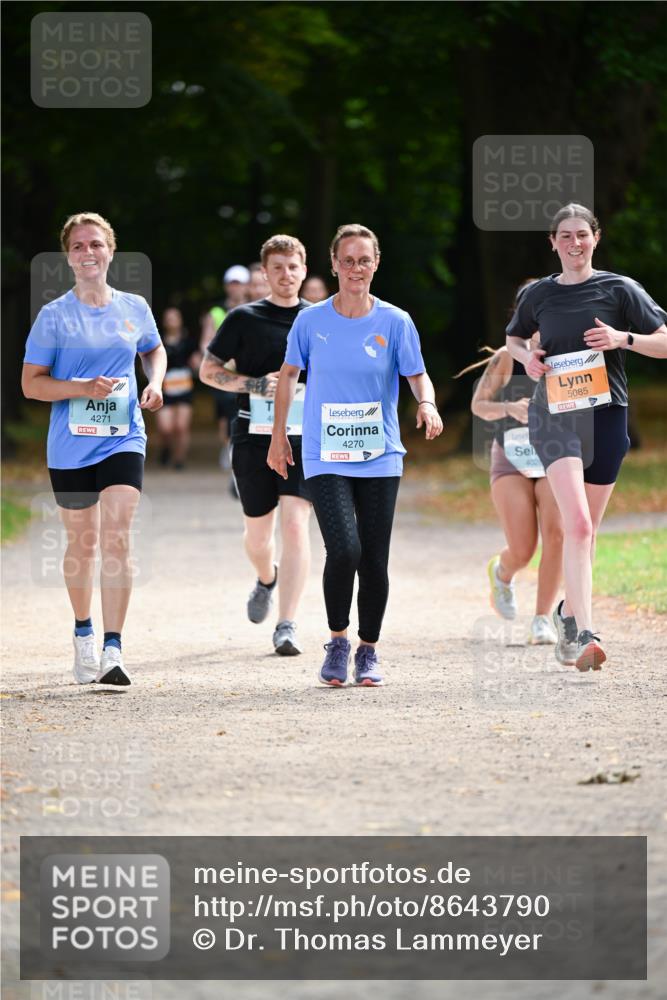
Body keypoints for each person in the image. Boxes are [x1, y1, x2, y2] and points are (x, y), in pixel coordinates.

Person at [268, 223, 443, 687]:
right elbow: (287, 376)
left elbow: (418, 375)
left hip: (380, 453)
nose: (356, 268)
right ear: (333, 264)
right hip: (325, 451)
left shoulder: (395, 321)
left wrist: (426, 403)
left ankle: (368, 650)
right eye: (347, 260)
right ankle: (338, 640)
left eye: (364, 260)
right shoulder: (311, 321)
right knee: (343, 549)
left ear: (376, 263)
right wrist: (278, 435)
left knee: (374, 558)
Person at [506, 203, 667, 671]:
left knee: (587, 530)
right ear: (552, 242)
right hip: (554, 415)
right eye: (565, 236)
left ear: (596, 238)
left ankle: (566, 614)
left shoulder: (619, 288)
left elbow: (664, 339)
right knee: (575, 525)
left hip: (605, 417)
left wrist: (624, 339)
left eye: (583, 235)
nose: (574, 244)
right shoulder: (538, 294)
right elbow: (516, 339)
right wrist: (528, 359)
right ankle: (584, 635)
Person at [21, 212, 166, 686]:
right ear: (69, 256)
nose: (88, 253)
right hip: (70, 444)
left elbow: (153, 348)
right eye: (79, 246)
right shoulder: (54, 315)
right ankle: (83, 631)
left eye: (96, 245)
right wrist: (80, 387)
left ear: (110, 251)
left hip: (124, 434)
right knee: (82, 542)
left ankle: (113, 648)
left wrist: (156, 381)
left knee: (117, 534)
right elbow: (31, 385)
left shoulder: (133, 307)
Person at [199, 236, 312, 656]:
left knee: (296, 524)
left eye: (293, 266)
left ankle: (287, 624)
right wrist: (251, 385)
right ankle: (267, 577)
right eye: (277, 268)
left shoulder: (319, 319)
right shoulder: (244, 318)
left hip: (304, 437)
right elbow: (209, 371)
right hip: (252, 436)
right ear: (264, 274)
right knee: (258, 536)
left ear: (304, 269)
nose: (286, 275)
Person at [458, 283, 563, 645]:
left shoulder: (567, 351)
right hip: (513, 458)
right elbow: (477, 405)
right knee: (523, 548)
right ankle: (502, 573)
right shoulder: (507, 355)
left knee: (558, 534)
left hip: (555, 455)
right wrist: (509, 408)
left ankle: (542, 618)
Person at [200, 265, 250, 471]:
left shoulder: (254, 307)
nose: (235, 288)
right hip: (223, 371)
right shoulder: (216, 312)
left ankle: (240, 447)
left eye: (239, 283)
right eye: (232, 283)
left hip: (247, 371)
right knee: (225, 415)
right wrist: (219, 362)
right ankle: (227, 446)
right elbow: (206, 341)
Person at [155, 307, 200, 469]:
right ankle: (166, 448)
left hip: (184, 388)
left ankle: (179, 459)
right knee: (166, 428)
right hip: (164, 389)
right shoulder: (157, 341)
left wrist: (197, 363)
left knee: (181, 426)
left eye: (174, 317)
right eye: (168, 318)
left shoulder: (189, 341)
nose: (171, 321)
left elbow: (196, 360)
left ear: (180, 320)